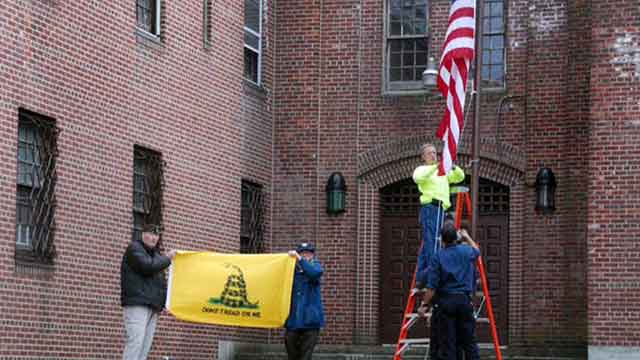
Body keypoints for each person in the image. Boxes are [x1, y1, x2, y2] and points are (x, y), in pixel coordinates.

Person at [418, 221, 480, 360]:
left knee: (448, 345)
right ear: (456, 237)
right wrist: (467, 237)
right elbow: (477, 251)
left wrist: (424, 305)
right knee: (469, 342)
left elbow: (431, 287)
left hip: (446, 303)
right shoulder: (466, 251)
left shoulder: (438, 256)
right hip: (464, 301)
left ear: (442, 239)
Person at [413, 143, 465, 288]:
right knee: (433, 244)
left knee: (428, 244)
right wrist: (436, 167)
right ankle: (433, 278)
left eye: (435, 153)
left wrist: (452, 166)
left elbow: (459, 177)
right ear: (423, 157)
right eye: (429, 153)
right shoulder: (423, 169)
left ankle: (422, 277)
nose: (433, 155)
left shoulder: (442, 171)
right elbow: (418, 178)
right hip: (431, 208)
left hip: (441, 209)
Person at [120, 225, 176, 360]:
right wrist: (168, 258)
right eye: (151, 234)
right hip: (137, 304)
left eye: (156, 235)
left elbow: (161, 282)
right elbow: (147, 267)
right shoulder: (134, 249)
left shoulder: (156, 256)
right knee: (135, 344)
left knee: (145, 346)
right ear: (143, 234)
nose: (154, 238)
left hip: (153, 307)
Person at [285, 243, 325, 360]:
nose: (306, 255)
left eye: (309, 253)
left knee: (306, 356)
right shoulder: (292, 270)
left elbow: (314, 273)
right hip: (294, 321)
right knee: (291, 351)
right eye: (303, 253)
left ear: (312, 255)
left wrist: (300, 259)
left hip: (310, 321)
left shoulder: (315, 266)